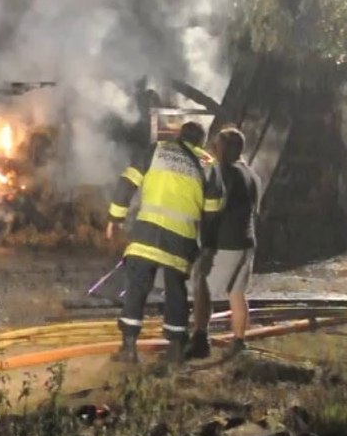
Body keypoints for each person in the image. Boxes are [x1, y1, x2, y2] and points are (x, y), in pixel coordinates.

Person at [105, 121, 224, 364]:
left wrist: (115, 219)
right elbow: (213, 211)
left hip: (147, 232)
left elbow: (127, 182)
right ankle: (176, 348)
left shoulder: (157, 149)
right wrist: (209, 245)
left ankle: (129, 348)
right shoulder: (209, 164)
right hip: (181, 239)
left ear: (179, 136)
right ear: (200, 142)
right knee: (176, 290)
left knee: (136, 287)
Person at [187, 127, 263, 359]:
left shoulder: (223, 173)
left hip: (225, 243)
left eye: (217, 145)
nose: (213, 148)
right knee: (237, 293)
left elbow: (212, 207)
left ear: (225, 148)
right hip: (247, 242)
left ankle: (200, 339)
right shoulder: (251, 174)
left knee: (202, 287)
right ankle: (239, 342)